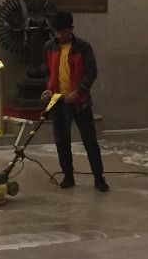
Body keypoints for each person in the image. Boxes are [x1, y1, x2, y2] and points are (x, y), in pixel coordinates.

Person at [41, 10, 108, 191]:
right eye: (57, 32)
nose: (60, 35)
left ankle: (99, 178)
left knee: (89, 140)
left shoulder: (83, 47)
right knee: (62, 141)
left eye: (63, 32)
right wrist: (48, 89)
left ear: (71, 29)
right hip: (58, 101)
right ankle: (68, 176)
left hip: (80, 102)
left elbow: (91, 72)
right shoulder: (49, 47)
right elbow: (48, 71)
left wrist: (78, 92)